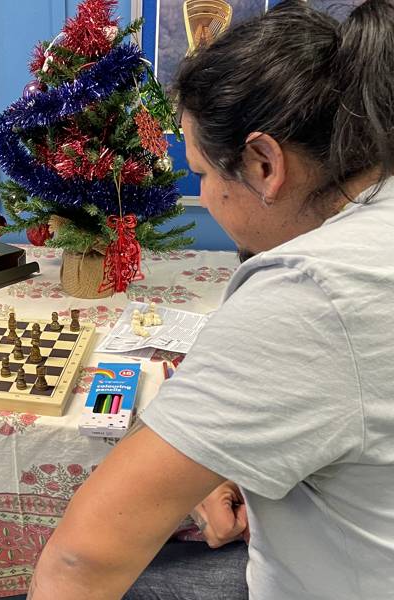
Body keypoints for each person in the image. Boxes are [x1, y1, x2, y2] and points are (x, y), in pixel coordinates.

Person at [27, 0, 394, 598]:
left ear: (263, 162)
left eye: (200, 172)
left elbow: (80, 560)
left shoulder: (310, 291)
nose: (203, 195)